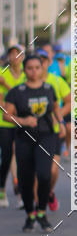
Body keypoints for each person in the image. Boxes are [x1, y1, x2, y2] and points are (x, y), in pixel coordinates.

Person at [3, 53, 65, 232]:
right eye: (29, 68)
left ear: (42, 68)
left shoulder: (48, 88)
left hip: (46, 136)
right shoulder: (16, 92)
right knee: (26, 178)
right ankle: (30, 214)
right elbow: (7, 115)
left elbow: (55, 108)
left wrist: (60, 123)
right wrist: (23, 121)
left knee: (44, 174)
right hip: (24, 137)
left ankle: (42, 211)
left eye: (37, 67)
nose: (34, 71)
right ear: (24, 69)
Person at [37, 49, 71, 213]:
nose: (40, 64)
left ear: (48, 62)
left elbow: (69, 102)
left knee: (52, 171)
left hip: (53, 131)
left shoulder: (56, 81)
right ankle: (38, 208)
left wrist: (59, 118)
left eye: (44, 60)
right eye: (38, 60)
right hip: (31, 133)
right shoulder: (24, 81)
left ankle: (48, 191)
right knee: (36, 171)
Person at [0, 44, 24, 207]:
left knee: (23, 156)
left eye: (17, 54)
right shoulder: (3, 73)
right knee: (7, 155)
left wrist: (8, 86)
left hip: (23, 120)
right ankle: (2, 188)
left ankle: (22, 192)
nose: (13, 57)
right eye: (11, 54)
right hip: (5, 121)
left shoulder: (27, 72)